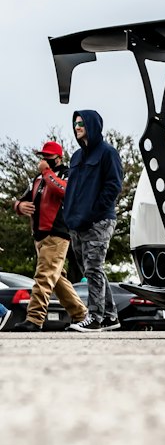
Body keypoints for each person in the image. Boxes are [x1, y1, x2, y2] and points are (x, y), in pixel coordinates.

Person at [12, 139, 88, 333]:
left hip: (57, 234)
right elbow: (21, 200)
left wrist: (47, 172)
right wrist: (19, 207)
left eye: (48, 157)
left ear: (58, 158)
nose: (44, 160)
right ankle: (82, 315)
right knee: (58, 281)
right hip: (39, 236)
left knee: (44, 276)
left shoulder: (68, 174)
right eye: (42, 156)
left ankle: (35, 319)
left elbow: (63, 191)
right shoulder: (37, 179)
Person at [62, 110, 124, 334]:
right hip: (76, 222)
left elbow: (114, 185)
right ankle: (109, 316)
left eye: (81, 123)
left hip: (99, 221)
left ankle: (95, 317)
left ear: (93, 125)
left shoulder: (108, 153)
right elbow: (72, 189)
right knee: (91, 269)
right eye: (75, 123)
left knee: (94, 267)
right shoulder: (76, 157)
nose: (77, 127)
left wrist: (95, 212)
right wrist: (69, 214)